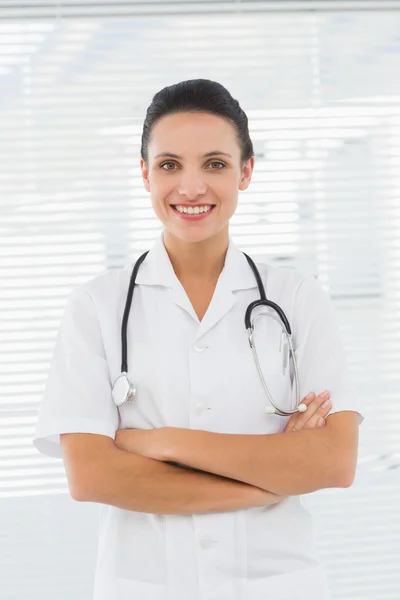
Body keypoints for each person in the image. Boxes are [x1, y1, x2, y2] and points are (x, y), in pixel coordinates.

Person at [33, 78, 364, 600]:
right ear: (144, 173)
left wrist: (160, 443)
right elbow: (92, 476)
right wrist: (271, 476)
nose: (191, 188)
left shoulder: (297, 298)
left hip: (277, 584)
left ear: (246, 171)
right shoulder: (96, 306)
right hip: (145, 586)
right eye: (169, 165)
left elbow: (334, 463)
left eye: (215, 163)